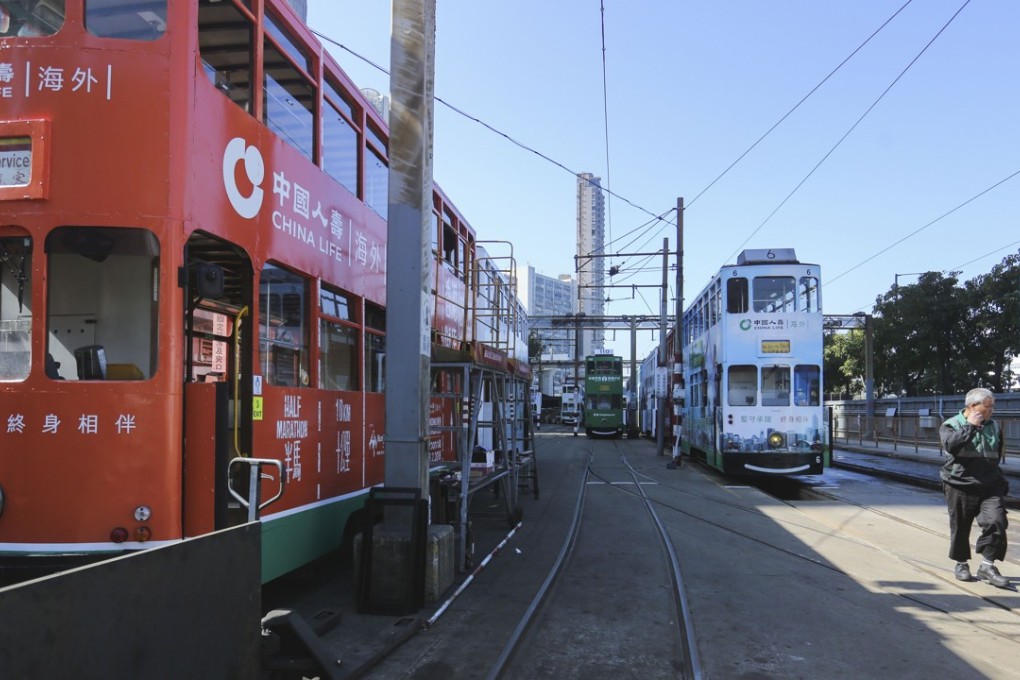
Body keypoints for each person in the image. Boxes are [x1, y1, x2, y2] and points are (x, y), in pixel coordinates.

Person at [939, 388, 1009, 588]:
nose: (992, 410)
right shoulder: (951, 424)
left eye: (992, 406)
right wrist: (970, 426)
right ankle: (961, 563)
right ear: (972, 406)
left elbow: (997, 453)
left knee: (997, 521)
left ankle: (987, 566)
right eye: (988, 406)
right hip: (960, 484)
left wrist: (998, 477)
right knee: (961, 526)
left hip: (990, 485)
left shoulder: (994, 426)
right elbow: (951, 446)